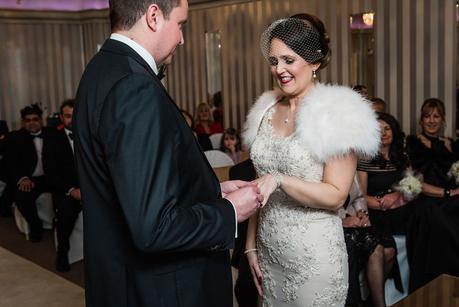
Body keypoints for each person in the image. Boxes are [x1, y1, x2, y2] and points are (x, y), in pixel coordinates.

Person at [73, 1, 262, 306]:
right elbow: (153, 227)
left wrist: (213, 191)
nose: (182, 38)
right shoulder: (135, 87)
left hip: (121, 282)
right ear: (153, 15)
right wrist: (229, 211)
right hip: (162, 290)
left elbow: (132, 184)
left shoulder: (102, 69)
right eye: (181, 24)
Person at [242, 13, 379, 306]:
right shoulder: (264, 110)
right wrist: (251, 246)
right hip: (268, 256)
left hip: (313, 260)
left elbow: (336, 195)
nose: (280, 69)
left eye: (289, 60)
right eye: (274, 60)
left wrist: (280, 179)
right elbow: (259, 185)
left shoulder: (338, 114)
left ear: (315, 62)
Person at [404, 98, 459, 291]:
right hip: (426, 199)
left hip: (452, 199)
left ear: (443, 120)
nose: (432, 120)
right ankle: (442, 278)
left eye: (436, 116)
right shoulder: (412, 142)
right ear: (421, 120)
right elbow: (414, 183)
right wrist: (446, 192)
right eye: (427, 116)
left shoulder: (451, 144)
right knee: (433, 213)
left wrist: (453, 192)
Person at [340, 176, 395, 307]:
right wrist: (341, 221)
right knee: (376, 248)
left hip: (354, 221)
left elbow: (359, 197)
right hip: (333, 226)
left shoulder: (347, 162)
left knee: (389, 248)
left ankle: (372, 301)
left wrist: (362, 213)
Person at [43, 99, 81, 272]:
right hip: (66, 190)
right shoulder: (52, 139)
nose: (71, 120)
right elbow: (51, 172)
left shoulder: (90, 135)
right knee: (65, 216)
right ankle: (62, 254)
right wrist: (71, 190)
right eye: (68, 116)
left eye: (75, 116)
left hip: (90, 190)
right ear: (61, 117)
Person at [7, 104, 54, 242]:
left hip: (51, 177)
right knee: (21, 197)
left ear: (41, 120)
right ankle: (35, 225)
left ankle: (58, 224)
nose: (32, 123)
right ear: (23, 122)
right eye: (28, 120)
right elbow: (11, 163)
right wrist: (22, 178)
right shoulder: (15, 138)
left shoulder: (52, 134)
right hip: (30, 179)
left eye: (35, 119)